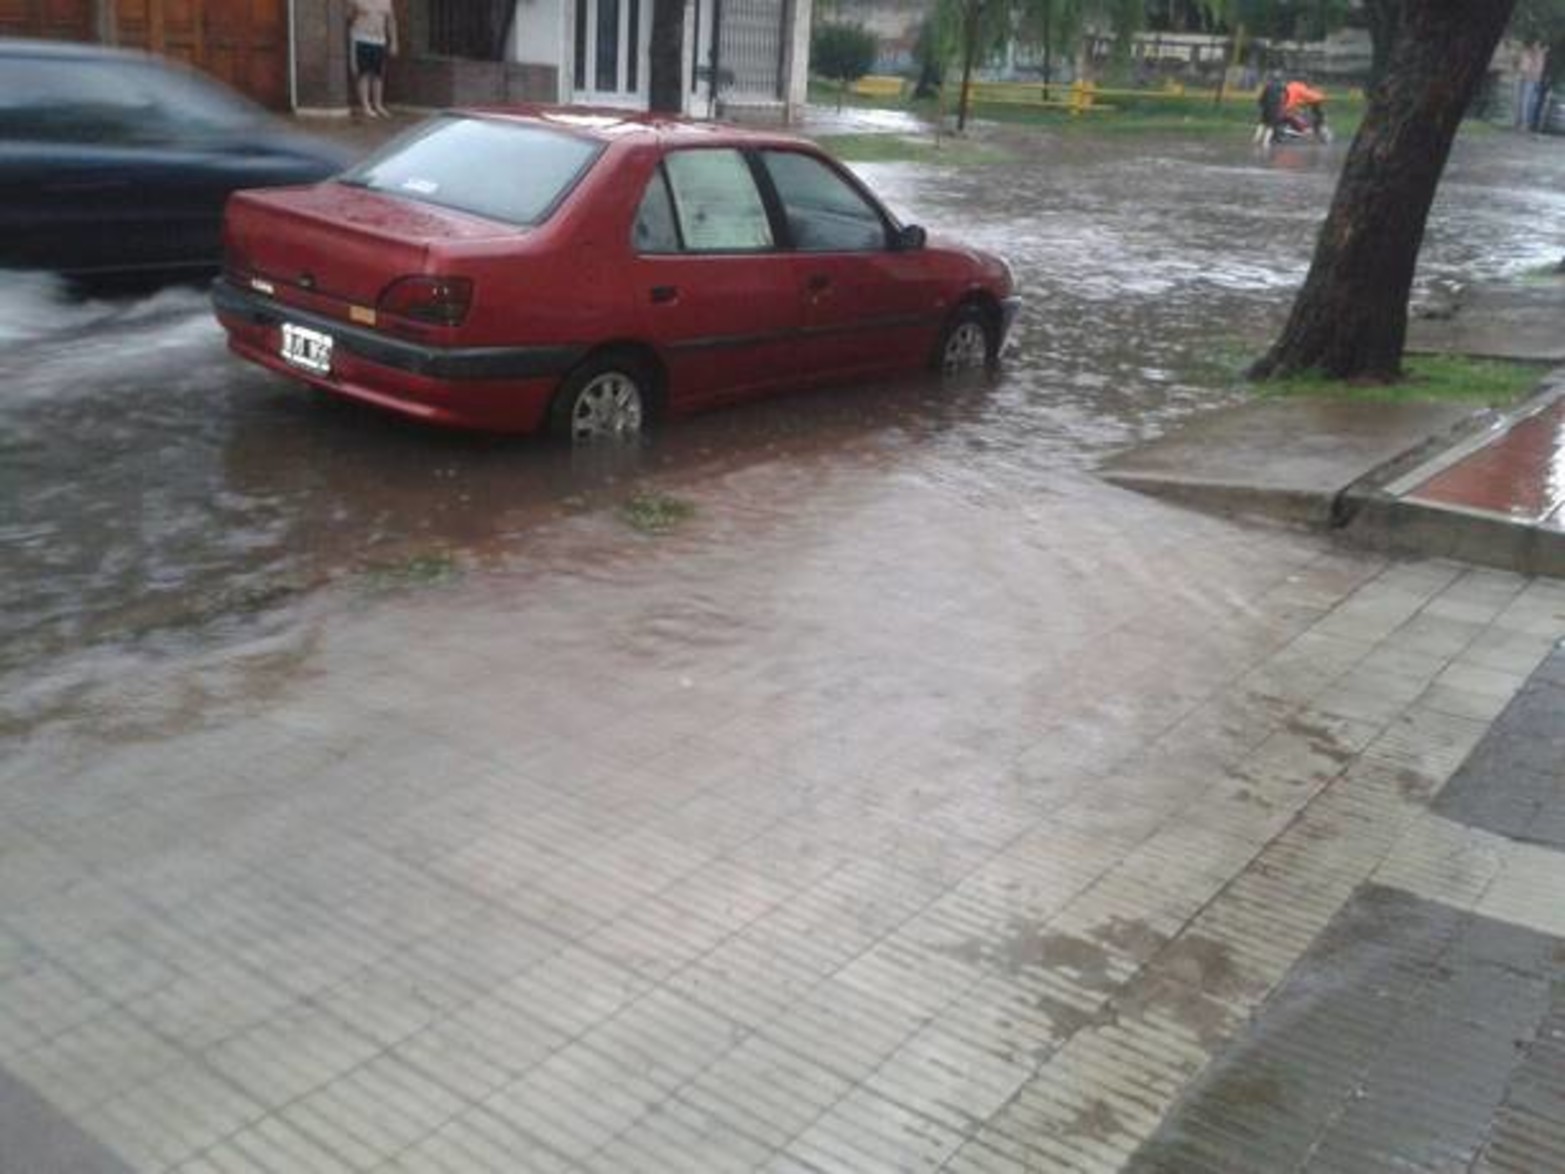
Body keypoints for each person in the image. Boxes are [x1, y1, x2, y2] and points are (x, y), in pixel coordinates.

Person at [347, 0, 398, 119]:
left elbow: (391, 21)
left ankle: (378, 104)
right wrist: (355, 10)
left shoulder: (386, 2)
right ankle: (366, 105)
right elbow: (348, 17)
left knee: (378, 74)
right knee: (364, 73)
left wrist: (394, 42)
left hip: (379, 40)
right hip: (361, 38)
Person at [1255, 72, 1285, 145]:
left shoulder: (1268, 85)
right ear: (1280, 79)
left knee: (1262, 122)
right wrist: (1281, 105)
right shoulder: (1281, 87)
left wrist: (1260, 105)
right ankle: (1266, 142)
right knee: (1271, 125)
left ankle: (1256, 138)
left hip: (1266, 107)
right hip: (1274, 108)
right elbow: (1283, 97)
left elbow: (1262, 97)